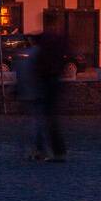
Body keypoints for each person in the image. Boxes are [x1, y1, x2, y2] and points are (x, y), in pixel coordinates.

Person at [33, 13, 68, 162]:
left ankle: (52, 151)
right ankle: (56, 150)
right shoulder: (60, 38)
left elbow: (40, 60)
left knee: (48, 117)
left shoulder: (46, 39)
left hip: (47, 80)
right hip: (56, 79)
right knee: (51, 116)